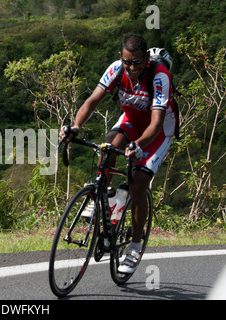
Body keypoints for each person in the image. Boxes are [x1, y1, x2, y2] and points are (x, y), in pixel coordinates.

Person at [60, 34, 176, 274]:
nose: (132, 67)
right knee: (107, 149)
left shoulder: (160, 76)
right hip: (132, 120)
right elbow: (92, 101)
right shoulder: (116, 69)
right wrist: (75, 127)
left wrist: (138, 145)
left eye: (137, 62)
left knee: (138, 182)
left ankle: (134, 246)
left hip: (159, 131)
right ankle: (101, 197)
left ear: (147, 58)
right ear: (120, 59)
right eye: (127, 62)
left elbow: (155, 124)